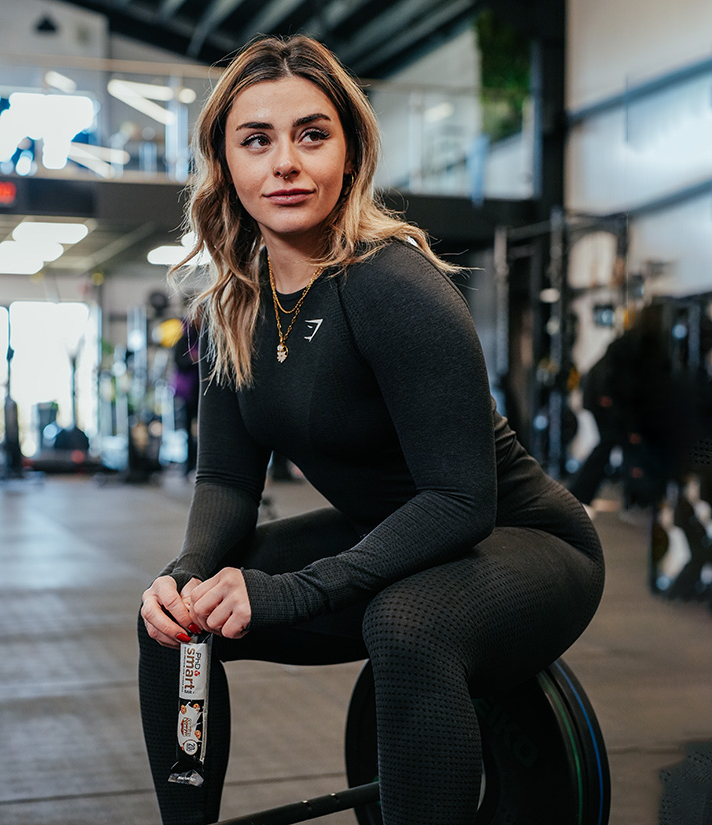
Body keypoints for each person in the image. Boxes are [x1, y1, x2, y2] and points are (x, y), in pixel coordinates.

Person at [138, 34, 605, 825]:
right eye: (257, 139)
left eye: (310, 134)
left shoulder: (393, 285)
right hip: (390, 536)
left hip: (522, 542)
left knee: (407, 623)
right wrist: (186, 574)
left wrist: (287, 592)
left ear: (348, 155)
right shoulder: (226, 308)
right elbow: (225, 479)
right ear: (226, 164)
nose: (285, 162)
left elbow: (460, 499)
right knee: (173, 619)